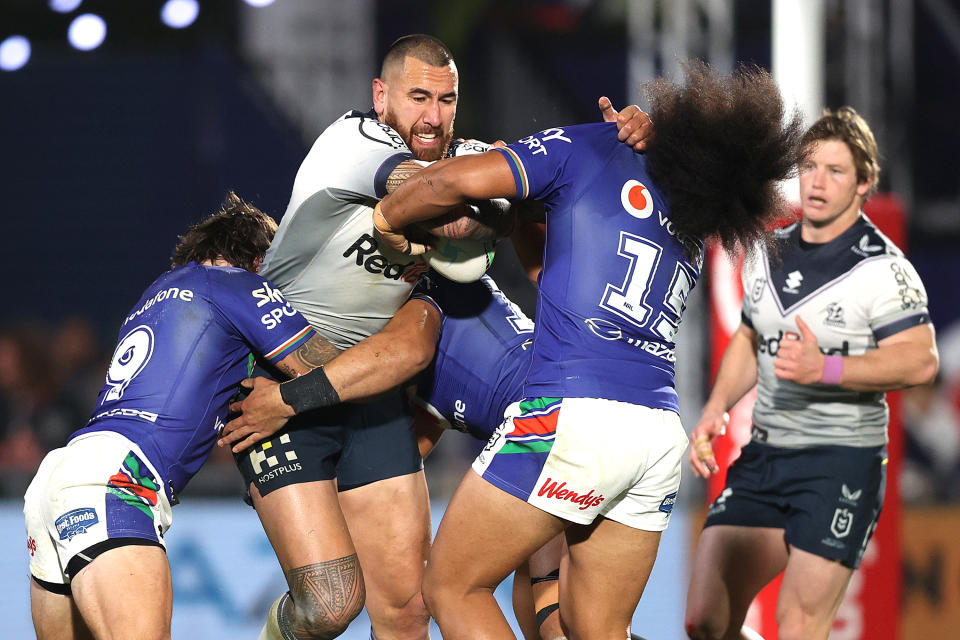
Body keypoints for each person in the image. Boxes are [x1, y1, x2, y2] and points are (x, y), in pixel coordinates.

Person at [239, 33, 653, 640]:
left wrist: (631, 142)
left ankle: (546, 605)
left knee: (410, 611)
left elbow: (556, 184)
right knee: (327, 607)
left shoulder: (468, 155)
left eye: (447, 99)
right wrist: (490, 205)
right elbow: (423, 191)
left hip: (371, 388)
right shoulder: (351, 142)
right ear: (381, 97)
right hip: (280, 374)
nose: (432, 117)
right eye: (417, 97)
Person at [370, 61, 802, 640]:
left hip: (571, 412)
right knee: (595, 626)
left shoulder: (587, 146)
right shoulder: (693, 227)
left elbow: (446, 183)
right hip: (654, 435)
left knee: (452, 586)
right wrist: (528, 210)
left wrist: (386, 218)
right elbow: (554, 276)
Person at [23, 193, 338, 640]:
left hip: (61, 475)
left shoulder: (153, 297)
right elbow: (329, 369)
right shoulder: (236, 284)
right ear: (261, 259)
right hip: (118, 479)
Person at [683, 107, 940, 640]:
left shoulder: (883, 269)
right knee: (705, 620)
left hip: (840, 464)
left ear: (865, 183)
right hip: (767, 456)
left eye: (836, 170)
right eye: (809, 167)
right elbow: (751, 337)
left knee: (798, 626)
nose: (817, 182)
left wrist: (825, 366)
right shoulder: (768, 250)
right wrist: (715, 408)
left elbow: (921, 361)